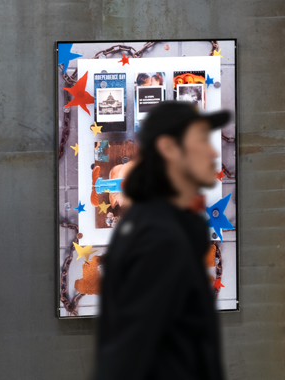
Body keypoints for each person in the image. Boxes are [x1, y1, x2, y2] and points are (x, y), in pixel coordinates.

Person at [94, 101, 230, 380]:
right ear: (169, 148)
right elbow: (124, 357)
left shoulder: (171, 224)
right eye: (201, 140)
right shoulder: (158, 239)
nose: (213, 151)